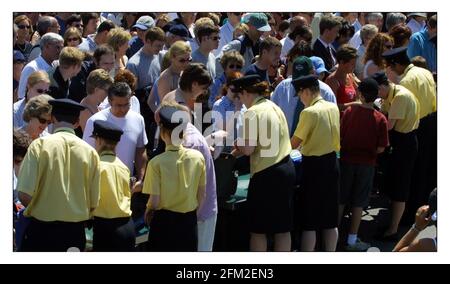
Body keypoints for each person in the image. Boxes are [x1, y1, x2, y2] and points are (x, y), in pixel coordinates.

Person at [17, 98, 101, 251]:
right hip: (74, 232)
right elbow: (94, 201)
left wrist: (42, 209)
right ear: (76, 122)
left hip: (41, 230)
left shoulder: (39, 146)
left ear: (53, 118)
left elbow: (23, 193)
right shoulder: (91, 153)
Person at [231, 74, 295, 252]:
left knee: (258, 230)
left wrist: (237, 143)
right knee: (283, 228)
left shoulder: (252, 112)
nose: (240, 101)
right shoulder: (274, 107)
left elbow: (249, 149)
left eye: (240, 96)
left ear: (245, 93)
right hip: (286, 167)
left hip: (267, 174)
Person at [382, 46, 437, 225]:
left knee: (411, 172)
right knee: (427, 169)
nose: (390, 70)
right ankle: (426, 207)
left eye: (391, 66)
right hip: (432, 121)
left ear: (396, 64)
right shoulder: (424, 71)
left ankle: (410, 213)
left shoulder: (405, 82)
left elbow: (403, 111)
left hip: (416, 126)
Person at [143, 102, 206, 251]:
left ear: (163, 131)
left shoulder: (156, 163)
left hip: (164, 223)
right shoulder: (198, 157)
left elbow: (155, 201)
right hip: (189, 222)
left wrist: (147, 211)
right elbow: (202, 195)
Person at [290, 74, 340, 252]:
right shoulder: (332, 107)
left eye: (300, 94)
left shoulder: (309, 112)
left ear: (306, 91)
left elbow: (294, 143)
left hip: (313, 167)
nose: (300, 99)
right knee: (330, 219)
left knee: (310, 220)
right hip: (332, 163)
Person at [339, 78, 389, 251]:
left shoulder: (349, 112)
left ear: (359, 94)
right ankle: (352, 240)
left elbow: (341, 135)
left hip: (346, 161)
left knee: (341, 197)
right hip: (367, 164)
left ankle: (334, 233)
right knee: (359, 202)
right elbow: (382, 148)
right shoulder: (380, 118)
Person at [371, 71, 420, 240]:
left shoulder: (400, 96)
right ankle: (391, 223)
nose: (378, 96)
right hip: (399, 141)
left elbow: (388, 126)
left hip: (405, 143)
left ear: (382, 86)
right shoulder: (390, 95)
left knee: (400, 187)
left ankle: (393, 230)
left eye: (377, 92)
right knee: (392, 185)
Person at [91, 120, 135, 252]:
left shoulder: (96, 166)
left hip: (105, 229)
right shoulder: (123, 167)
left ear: (99, 140)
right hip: (127, 227)